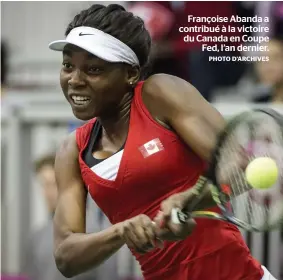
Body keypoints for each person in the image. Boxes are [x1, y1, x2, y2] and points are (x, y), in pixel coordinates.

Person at [49, 4, 275, 280]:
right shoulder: (71, 151)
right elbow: (65, 257)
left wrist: (189, 198)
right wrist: (120, 231)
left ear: (131, 74)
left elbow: (239, 165)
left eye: (93, 69)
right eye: (68, 66)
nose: (75, 80)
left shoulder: (159, 94)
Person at [25, 154, 98, 280]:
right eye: (44, 185)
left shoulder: (95, 232)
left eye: (52, 184)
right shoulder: (37, 238)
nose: (47, 193)